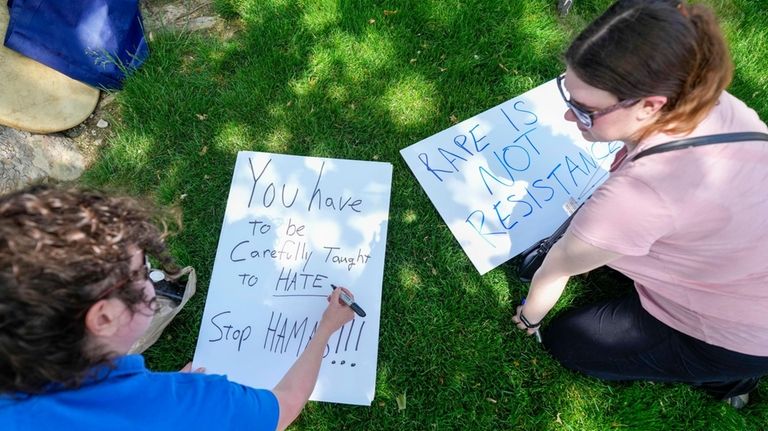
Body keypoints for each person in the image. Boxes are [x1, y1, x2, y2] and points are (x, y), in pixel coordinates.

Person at [512, 0, 768, 409]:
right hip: (743, 270)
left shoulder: (640, 197)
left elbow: (556, 267)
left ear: (650, 105)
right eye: (568, 91)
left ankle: (731, 379)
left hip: (736, 333)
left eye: (584, 110)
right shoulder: (712, 101)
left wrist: (529, 318)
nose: (566, 117)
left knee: (569, 341)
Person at [0, 185, 355, 430]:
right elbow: (286, 404)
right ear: (104, 317)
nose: (153, 279)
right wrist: (325, 329)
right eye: (141, 273)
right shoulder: (196, 406)